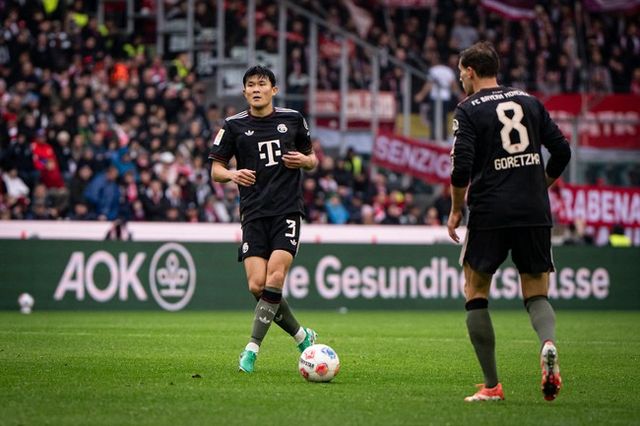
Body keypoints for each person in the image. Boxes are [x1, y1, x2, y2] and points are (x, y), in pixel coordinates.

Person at [447, 42, 571, 402]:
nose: (461, 79)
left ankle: (492, 386)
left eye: (461, 72)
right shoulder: (529, 101)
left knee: (475, 291)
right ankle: (547, 343)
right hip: (533, 209)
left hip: (490, 210)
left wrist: (456, 210)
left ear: (471, 71)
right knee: (536, 291)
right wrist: (540, 185)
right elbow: (562, 150)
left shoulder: (467, 109)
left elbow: (461, 167)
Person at [208, 66, 319, 373]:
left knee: (275, 278)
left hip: (287, 211)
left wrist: (304, 160)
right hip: (253, 213)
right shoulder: (233, 126)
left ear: (274, 89)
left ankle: (251, 349)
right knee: (257, 286)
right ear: (244, 92)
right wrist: (232, 174)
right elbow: (216, 171)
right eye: (251, 85)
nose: (256, 89)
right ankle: (302, 336)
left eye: (262, 84)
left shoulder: (293, 119)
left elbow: (312, 159)